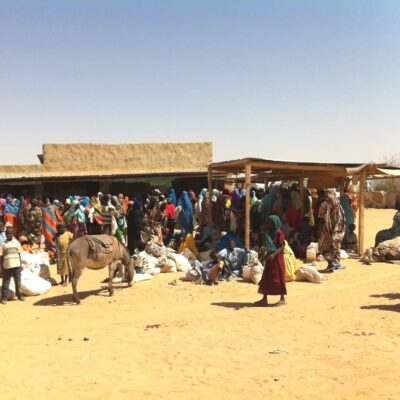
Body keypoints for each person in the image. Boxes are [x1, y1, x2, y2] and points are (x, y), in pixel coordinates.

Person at [255, 215, 286, 307]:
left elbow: (282, 247)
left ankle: (282, 298)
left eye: (270, 223)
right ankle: (264, 299)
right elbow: (266, 245)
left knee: (279, 278)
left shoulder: (279, 233)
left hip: (277, 259)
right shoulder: (268, 233)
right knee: (267, 278)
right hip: (270, 258)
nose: (268, 224)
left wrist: (274, 254)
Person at [318, 189, 345, 271]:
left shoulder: (324, 204)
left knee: (324, 246)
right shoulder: (338, 204)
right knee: (336, 245)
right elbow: (343, 218)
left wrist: (320, 229)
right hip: (338, 229)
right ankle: (337, 263)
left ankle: (331, 264)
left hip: (328, 229)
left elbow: (320, 218)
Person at [0, 226, 25, 304]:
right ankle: (4, 297)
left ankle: (19, 295)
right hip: (7, 266)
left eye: (10, 233)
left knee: (18, 281)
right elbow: (1, 256)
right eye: (7, 233)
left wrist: (21, 265)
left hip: (16, 265)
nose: (9, 235)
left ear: (13, 234)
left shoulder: (16, 243)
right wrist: (1, 267)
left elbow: (20, 254)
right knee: (6, 282)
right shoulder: (3, 244)